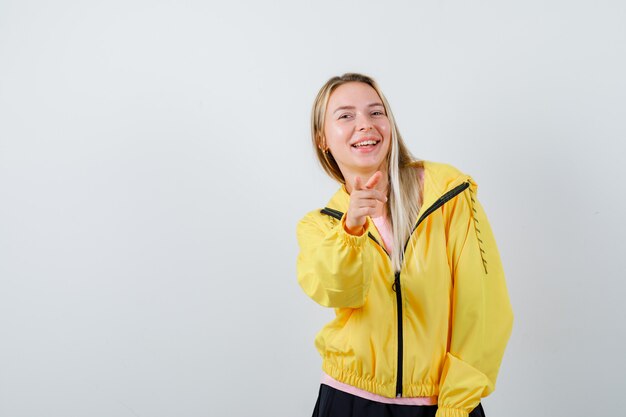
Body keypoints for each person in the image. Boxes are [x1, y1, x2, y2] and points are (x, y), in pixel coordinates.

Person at [296, 73, 514, 417]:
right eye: (345, 115)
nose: (365, 125)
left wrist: (456, 405)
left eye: (376, 112)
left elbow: (483, 307)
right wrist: (351, 228)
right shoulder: (320, 225)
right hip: (347, 401)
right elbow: (340, 292)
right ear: (322, 138)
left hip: (441, 403)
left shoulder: (448, 194)